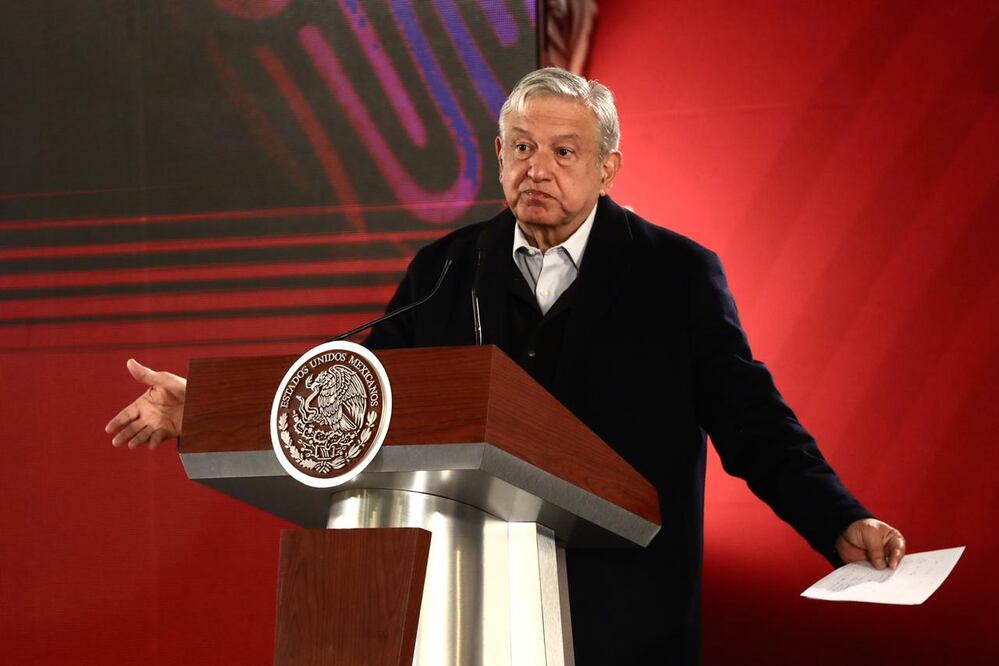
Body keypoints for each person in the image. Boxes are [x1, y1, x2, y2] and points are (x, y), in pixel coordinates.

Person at [107, 67, 905, 664]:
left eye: (564, 151)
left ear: (607, 167)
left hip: (622, 614)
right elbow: (353, 396)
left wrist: (835, 519)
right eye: (522, 147)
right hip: (468, 612)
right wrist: (205, 408)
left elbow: (750, 417)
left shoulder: (673, 274)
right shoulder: (445, 270)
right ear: (497, 154)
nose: (538, 167)